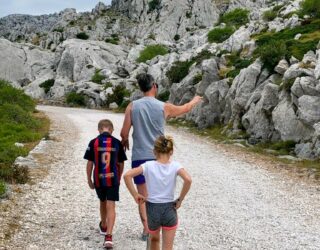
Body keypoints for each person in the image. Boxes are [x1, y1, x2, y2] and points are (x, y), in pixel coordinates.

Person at [120, 73, 201, 240]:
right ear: (154, 86)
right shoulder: (164, 106)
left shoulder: (132, 106)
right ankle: (161, 224)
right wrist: (194, 100)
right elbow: (184, 109)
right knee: (157, 192)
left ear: (141, 88)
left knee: (142, 194)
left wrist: (125, 139)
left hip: (139, 156)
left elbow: (123, 132)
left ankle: (147, 229)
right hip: (160, 156)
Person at [124, 135, 192, 250]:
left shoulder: (148, 166)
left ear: (154, 151)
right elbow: (188, 180)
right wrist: (180, 199)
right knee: (168, 247)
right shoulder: (176, 166)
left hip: (152, 208)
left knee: (154, 240)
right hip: (169, 208)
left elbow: (127, 175)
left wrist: (135, 195)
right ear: (171, 151)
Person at [84, 119, 127, 249]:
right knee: (111, 205)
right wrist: (118, 177)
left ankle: (103, 225)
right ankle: (109, 236)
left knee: (102, 202)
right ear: (112, 130)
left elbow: (90, 163)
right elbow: (121, 163)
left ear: (99, 130)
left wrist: (89, 179)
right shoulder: (117, 143)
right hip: (113, 179)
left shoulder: (93, 142)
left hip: (98, 179)